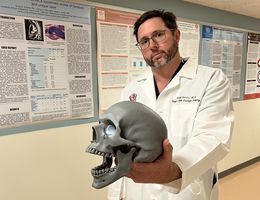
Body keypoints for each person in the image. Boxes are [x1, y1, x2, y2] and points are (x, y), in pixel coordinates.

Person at [108, 9, 234, 200]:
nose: (153, 45)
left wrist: (171, 171)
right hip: (137, 191)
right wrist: (116, 194)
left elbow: (212, 137)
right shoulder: (132, 89)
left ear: (176, 35)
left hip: (186, 189)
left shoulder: (211, 80)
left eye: (158, 35)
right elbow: (119, 143)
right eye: (144, 41)